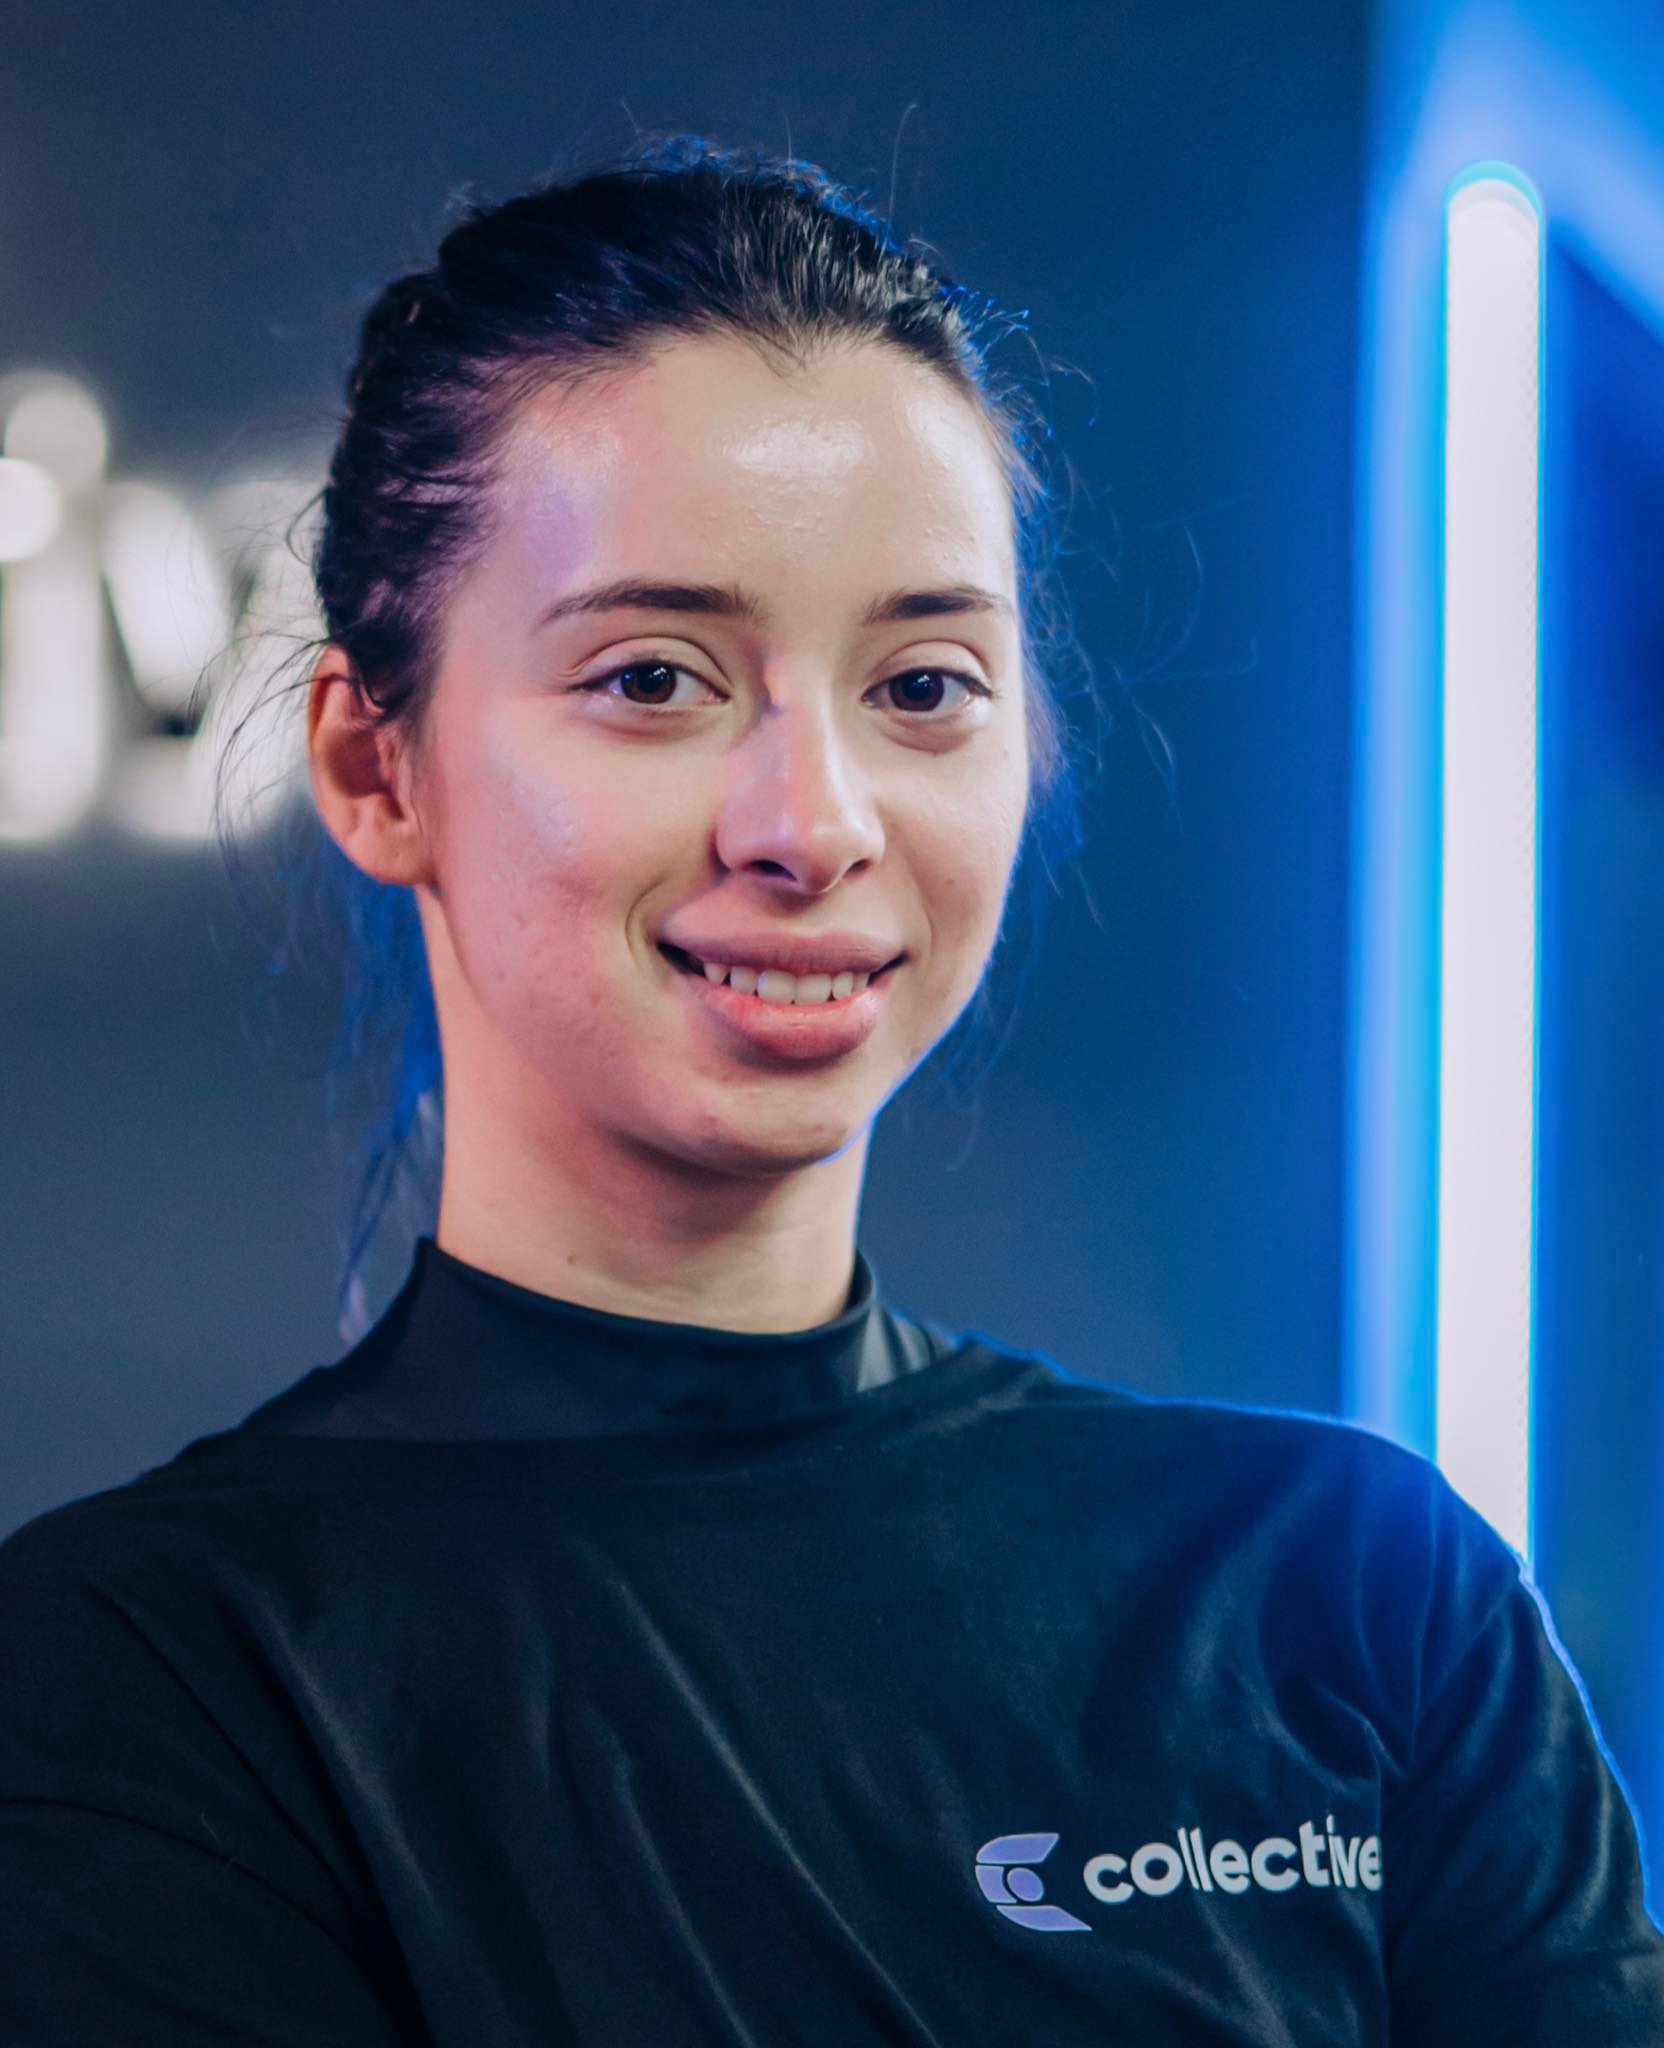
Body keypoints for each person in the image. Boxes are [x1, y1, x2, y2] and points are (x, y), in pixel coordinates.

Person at [2, 134, 1661, 2047]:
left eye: (925, 684)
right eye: (654, 677)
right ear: (379, 771)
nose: (816, 821)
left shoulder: (1357, 1597)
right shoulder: (158, 1676)